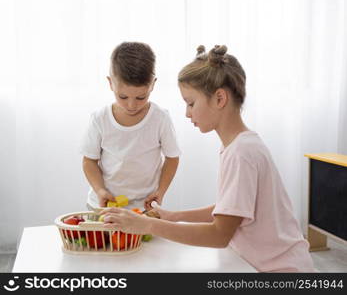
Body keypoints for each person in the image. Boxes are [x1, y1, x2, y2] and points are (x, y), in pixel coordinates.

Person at [99, 45, 315, 272]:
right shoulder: (240, 145)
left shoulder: (241, 153)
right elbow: (232, 209)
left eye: (191, 103)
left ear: (220, 98)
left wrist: (149, 225)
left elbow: (219, 234)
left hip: (281, 271)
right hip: (263, 264)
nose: (187, 113)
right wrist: (174, 216)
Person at [80, 42, 180, 210]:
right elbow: (89, 160)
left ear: (153, 85)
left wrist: (160, 192)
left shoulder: (160, 118)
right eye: (123, 97)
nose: (132, 105)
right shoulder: (100, 119)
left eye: (141, 97)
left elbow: (172, 158)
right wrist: (100, 190)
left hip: (144, 207)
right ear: (110, 83)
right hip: (104, 206)